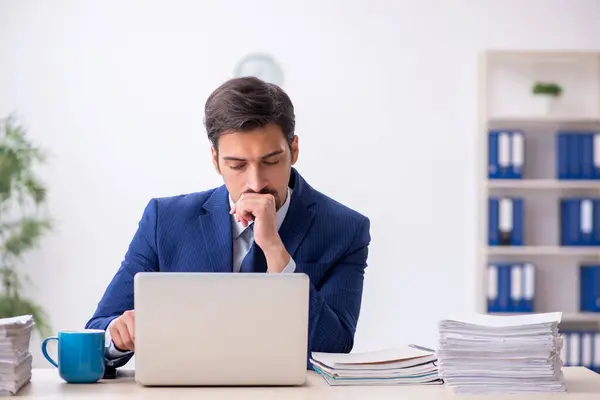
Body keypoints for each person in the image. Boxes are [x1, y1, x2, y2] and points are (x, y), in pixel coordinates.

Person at [85, 76, 371, 373]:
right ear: (216, 160)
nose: (256, 182)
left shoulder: (345, 229)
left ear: (294, 150)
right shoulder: (164, 220)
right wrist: (119, 336)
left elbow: (334, 348)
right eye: (237, 166)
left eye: (271, 161)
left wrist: (276, 252)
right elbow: (97, 332)